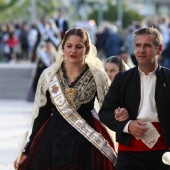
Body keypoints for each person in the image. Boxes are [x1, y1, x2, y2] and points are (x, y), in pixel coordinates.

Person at [14, 27, 126, 170]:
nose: (73, 51)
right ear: (63, 47)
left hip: (87, 139)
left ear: (86, 48)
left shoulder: (98, 76)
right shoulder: (49, 75)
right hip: (52, 138)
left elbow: (107, 109)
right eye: (69, 46)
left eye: (78, 47)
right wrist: (28, 149)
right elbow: (42, 115)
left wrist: (122, 118)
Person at [99, 27, 170, 170]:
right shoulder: (122, 78)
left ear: (159, 49)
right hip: (128, 153)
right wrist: (127, 125)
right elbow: (105, 113)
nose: (141, 50)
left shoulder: (168, 78)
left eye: (147, 45)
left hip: (162, 153)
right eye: (138, 45)